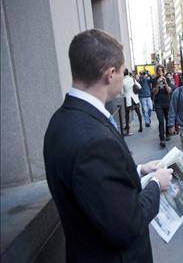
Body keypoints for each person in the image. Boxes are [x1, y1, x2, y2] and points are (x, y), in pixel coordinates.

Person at [43, 29, 173, 263]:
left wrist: (139, 170)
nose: (124, 77)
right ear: (110, 74)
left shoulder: (62, 118)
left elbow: (94, 184)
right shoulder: (93, 141)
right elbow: (127, 225)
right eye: (123, 72)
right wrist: (155, 183)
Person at [152, 64, 174, 147]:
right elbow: (154, 93)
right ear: (156, 71)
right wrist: (157, 84)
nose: (160, 72)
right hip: (158, 104)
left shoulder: (167, 79)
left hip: (166, 102)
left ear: (163, 71)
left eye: (161, 70)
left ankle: (168, 134)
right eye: (158, 70)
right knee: (161, 121)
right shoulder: (154, 80)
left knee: (167, 119)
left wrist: (165, 82)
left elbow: (169, 91)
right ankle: (162, 139)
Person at [122, 68, 143, 135]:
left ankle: (127, 129)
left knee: (127, 114)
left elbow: (121, 92)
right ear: (128, 73)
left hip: (128, 99)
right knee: (138, 112)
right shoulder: (132, 79)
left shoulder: (122, 81)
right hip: (135, 98)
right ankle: (141, 126)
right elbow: (139, 86)